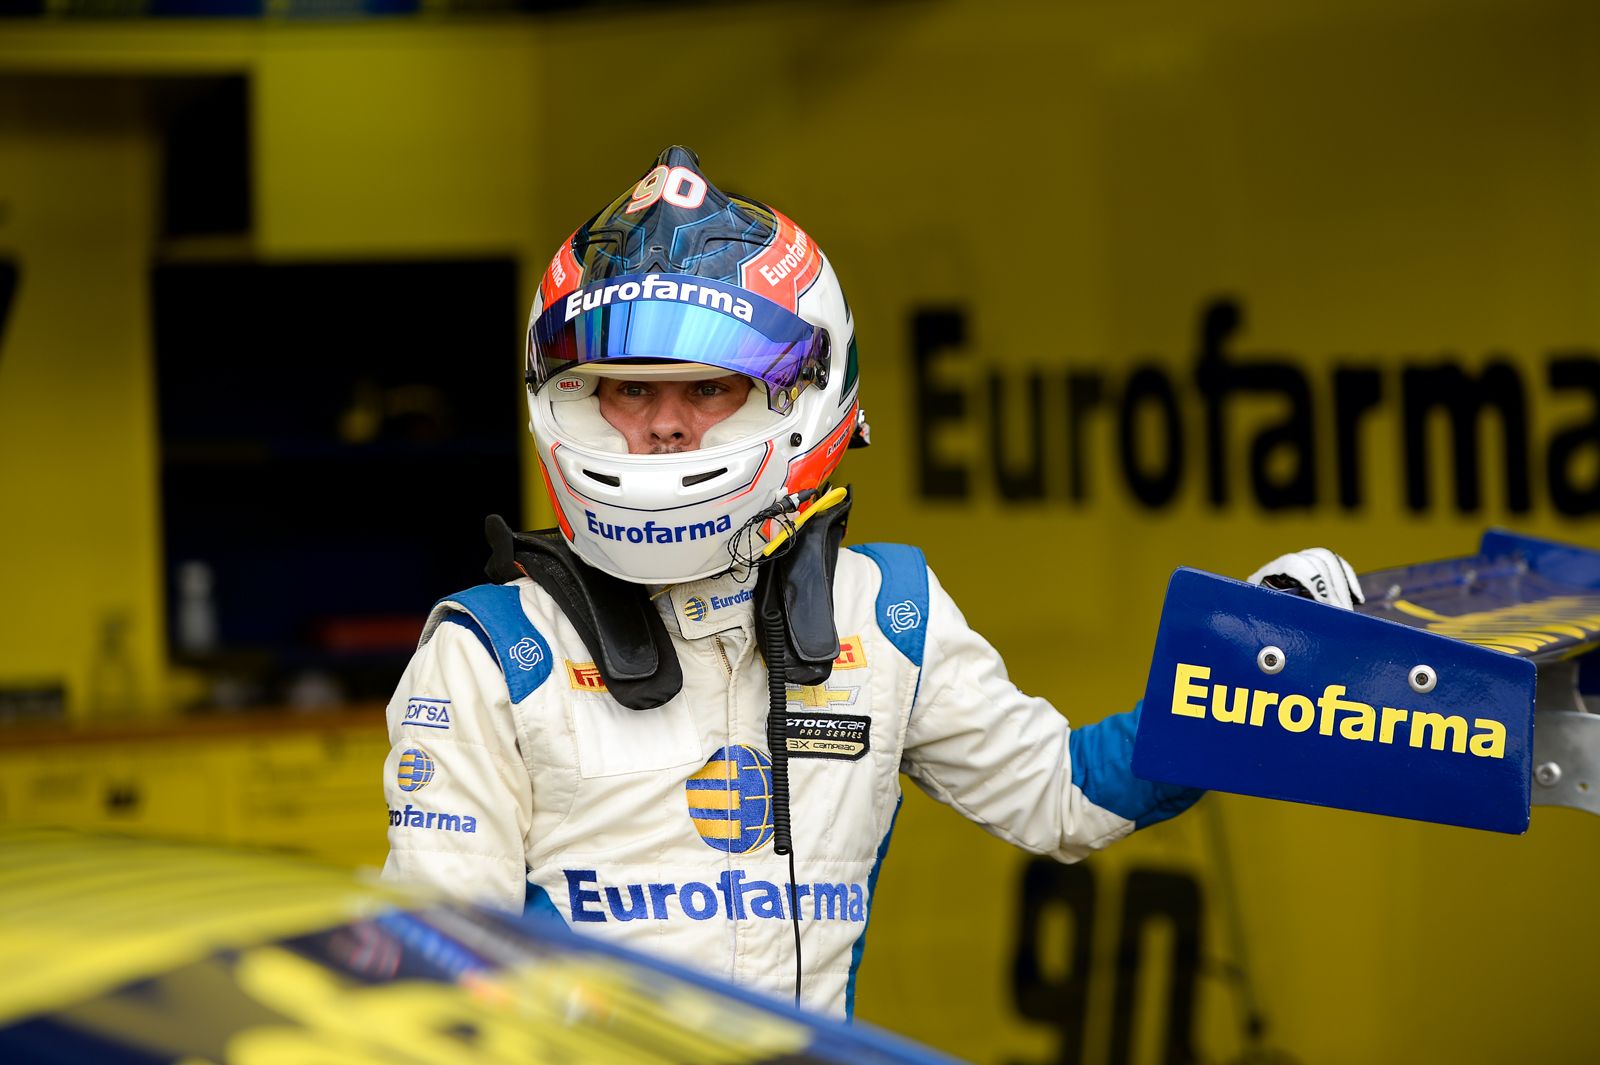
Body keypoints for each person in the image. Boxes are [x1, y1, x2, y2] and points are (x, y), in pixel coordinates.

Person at [380, 146, 1364, 1016]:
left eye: (709, 389)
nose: (666, 425)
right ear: (571, 397)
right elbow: (433, 982)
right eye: (630, 388)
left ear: (805, 396)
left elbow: (1062, 797)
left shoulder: (885, 612)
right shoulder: (489, 653)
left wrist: (1250, 658)